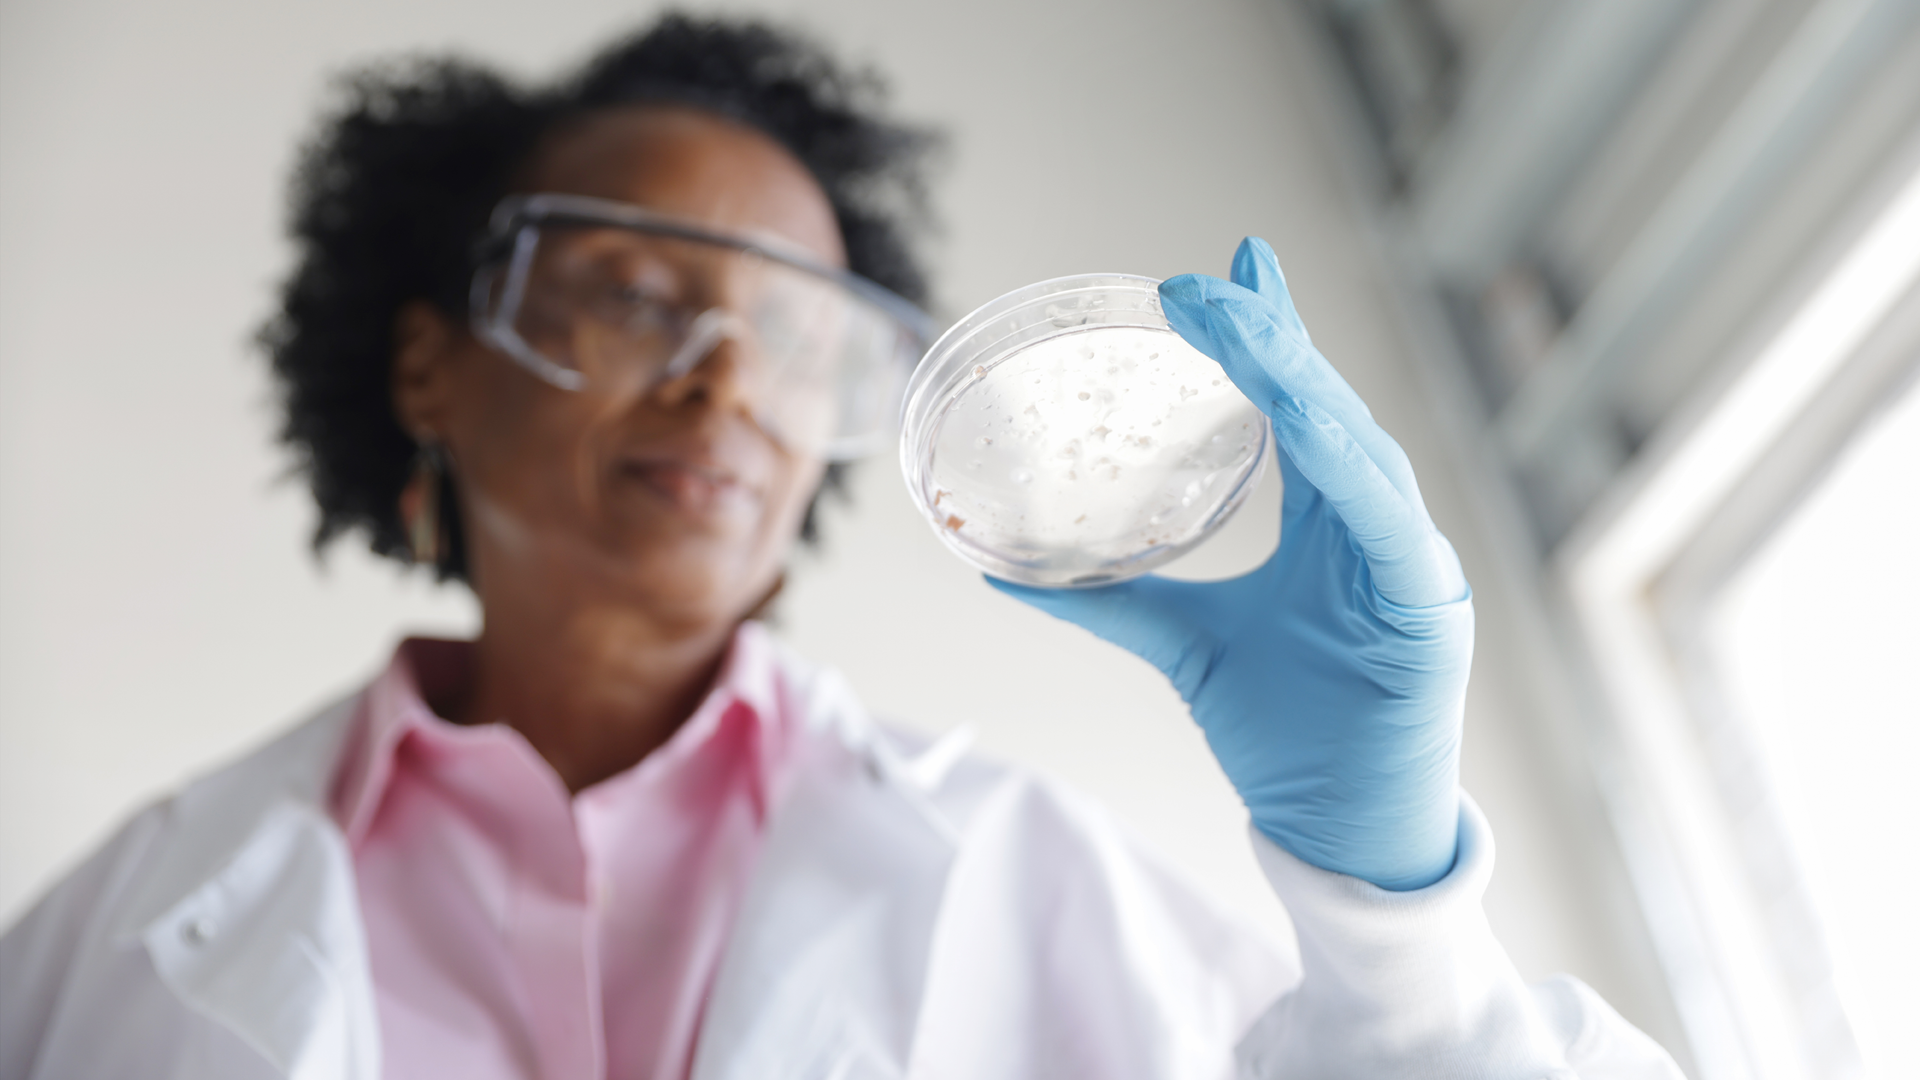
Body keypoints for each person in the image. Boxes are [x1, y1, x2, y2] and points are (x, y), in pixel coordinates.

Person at [0, 14, 1683, 1080]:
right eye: (638, 295)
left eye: (803, 342)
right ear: (430, 358)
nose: (730, 375)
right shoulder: (108, 937)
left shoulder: (1033, 883)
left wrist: (1394, 918)